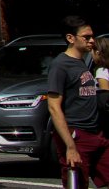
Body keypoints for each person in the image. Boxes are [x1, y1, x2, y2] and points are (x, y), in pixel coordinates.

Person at [47, 16, 109, 188]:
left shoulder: (81, 63)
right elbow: (53, 107)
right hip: (76, 134)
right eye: (86, 37)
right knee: (77, 183)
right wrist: (70, 146)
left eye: (92, 37)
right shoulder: (60, 65)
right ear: (70, 38)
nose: (91, 41)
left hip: (96, 133)